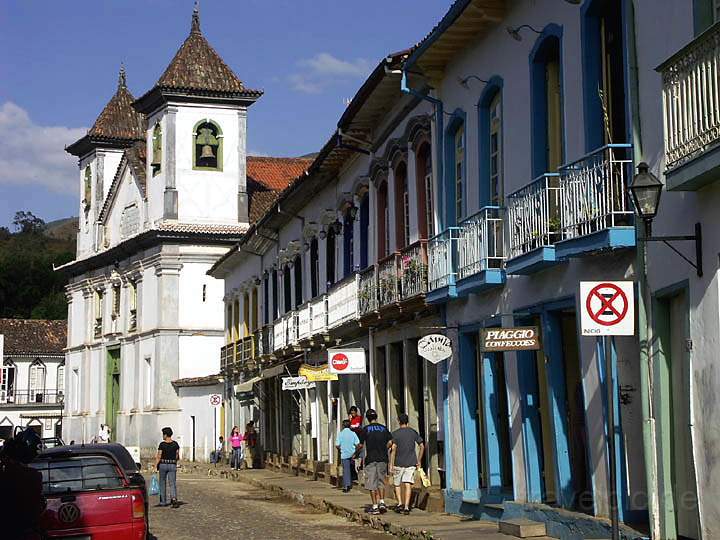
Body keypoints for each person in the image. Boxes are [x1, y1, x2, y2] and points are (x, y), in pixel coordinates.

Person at [357, 408, 392, 515]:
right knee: (381, 481)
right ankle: (382, 502)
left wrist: (356, 453)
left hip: (370, 459)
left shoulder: (366, 429)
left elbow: (361, 445)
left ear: (367, 419)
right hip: (382, 458)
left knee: (372, 483)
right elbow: (390, 442)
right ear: (376, 417)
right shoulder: (384, 428)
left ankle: (375, 506)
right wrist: (384, 448)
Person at [390, 413, 425, 515]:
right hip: (411, 462)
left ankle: (400, 503)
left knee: (397, 484)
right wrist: (419, 460)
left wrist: (391, 464)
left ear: (399, 421)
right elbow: (422, 446)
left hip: (398, 462)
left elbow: (393, 449)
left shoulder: (395, 434)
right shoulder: (413, 432)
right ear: (407, 421)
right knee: (408, 484)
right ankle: (406, 506)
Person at [155, 427, 180, 508]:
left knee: (162, 482)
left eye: (163, 434)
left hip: (163, 464)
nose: (163, 436)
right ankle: (173, 498)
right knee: (172, 483)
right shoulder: (175, 444)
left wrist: (155, 465)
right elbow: (177, 455)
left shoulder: (162, 444)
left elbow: (159, 456)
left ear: (165, 435)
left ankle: (163, 501)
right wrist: (174, 461)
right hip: (172, 464)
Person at [335, 419, 360, 493]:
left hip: (344, 454)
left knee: (346, 470)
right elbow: (358, 444)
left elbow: (337, 445)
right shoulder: (353, 433)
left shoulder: (340, 434)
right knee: (352, 468)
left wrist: (341, 449)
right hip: (352, 454)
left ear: (343, 426)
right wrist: (355, 452)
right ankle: (352, 481)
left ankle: (346, 486)